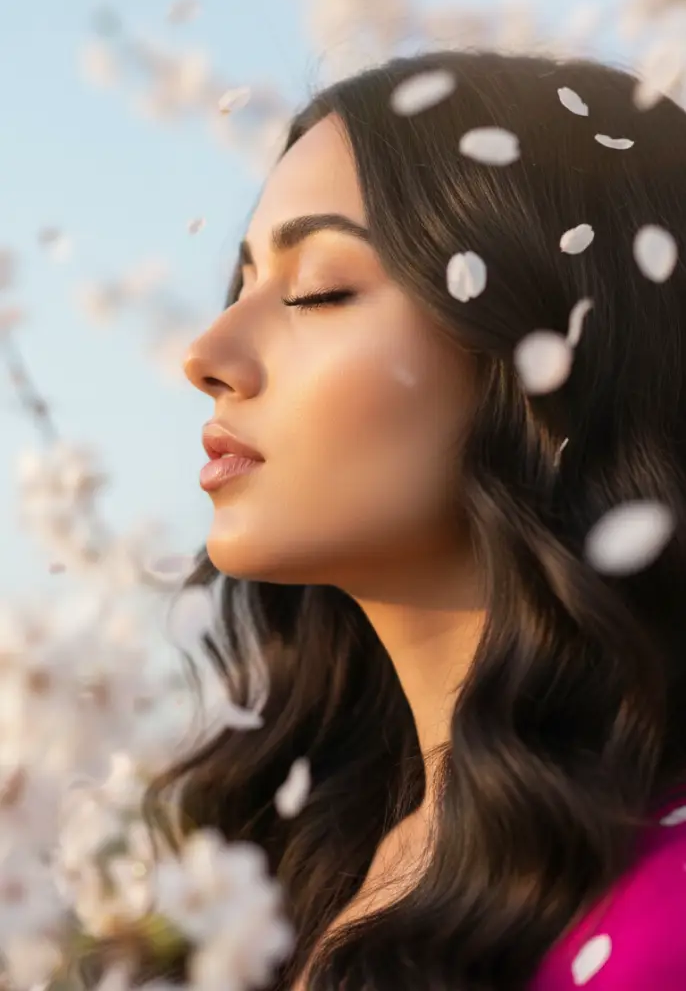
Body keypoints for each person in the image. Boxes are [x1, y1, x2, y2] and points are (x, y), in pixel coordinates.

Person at [148, 50, 686, 989]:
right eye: (239, 284)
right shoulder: (311, 859)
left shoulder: (661, 915)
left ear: (548, 361)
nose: (207, 351)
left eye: (319, 288)